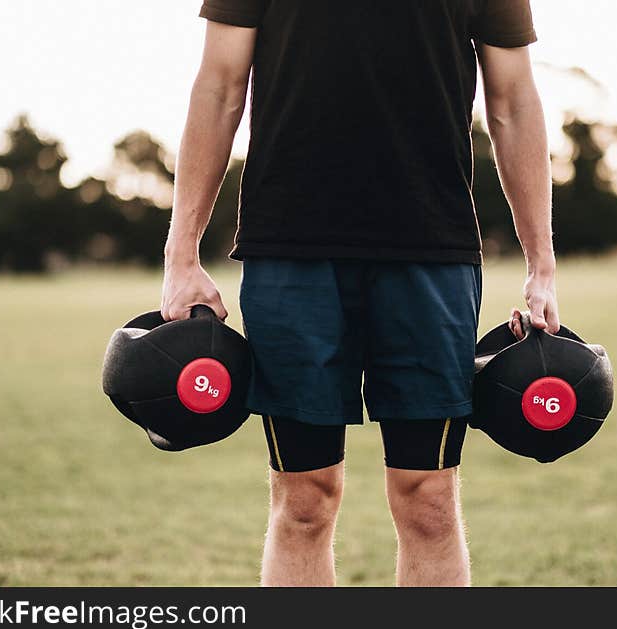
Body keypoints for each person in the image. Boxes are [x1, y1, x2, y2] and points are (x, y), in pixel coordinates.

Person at [161, 0, 559, 587]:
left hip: (431, 254)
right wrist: (181, 254)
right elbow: (220, 87)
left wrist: (541, 263)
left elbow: (514, 102)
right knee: (304, 501)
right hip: (292, 252)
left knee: (429, 501)